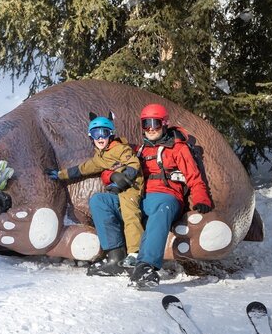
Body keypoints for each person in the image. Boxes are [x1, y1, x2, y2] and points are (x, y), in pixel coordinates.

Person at [44, 114, 144, 276]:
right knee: (97, 201)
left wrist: (125, 179)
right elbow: (84, 168)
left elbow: (133, 163)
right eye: (95, 134)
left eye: (103, 133)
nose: (100, 138)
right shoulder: (100, 157)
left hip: (131, 187)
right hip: (117, 190)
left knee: (130, 214)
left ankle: (135, 253)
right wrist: (61, 174)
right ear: (91, 137)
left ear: (110, 134)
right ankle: (115, 256)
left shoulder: (120, 148)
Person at [129, 103, 213, 287]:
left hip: (168, 196)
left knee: (161, 210)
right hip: (142, 197)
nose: (150, 129)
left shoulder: (178, 148)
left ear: (164, 124)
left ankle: (146, 265)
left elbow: (194, 177)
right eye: (146, 124)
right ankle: (115, 256)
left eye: (155, 123)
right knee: (102, 201)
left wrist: (201, 198)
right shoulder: (139, 150)